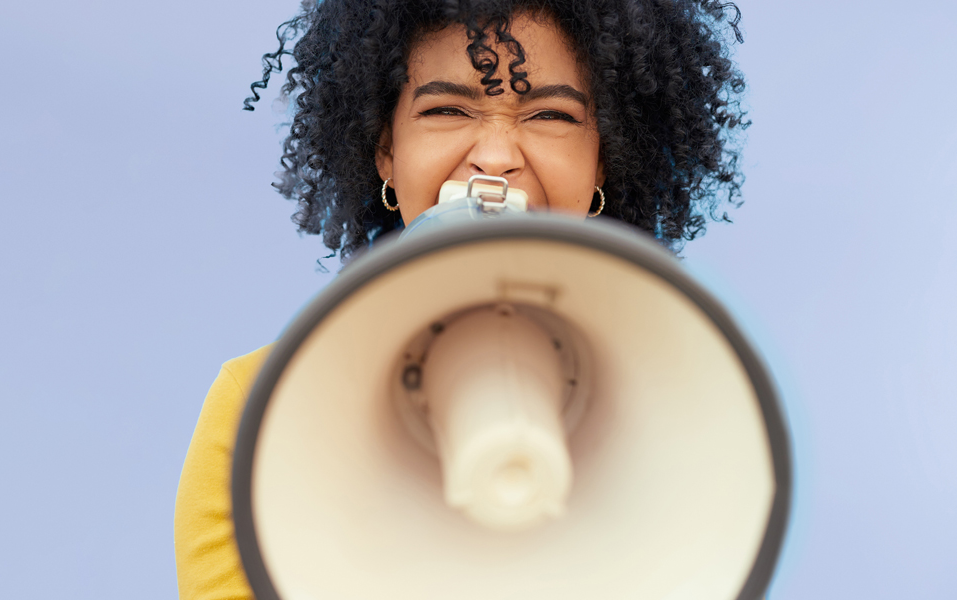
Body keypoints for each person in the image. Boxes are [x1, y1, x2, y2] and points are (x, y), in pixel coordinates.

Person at [170, 2, 748, 598]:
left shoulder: (689, 417)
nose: (495, 158)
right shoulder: (259, 411)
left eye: (551, 114)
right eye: (446, 109)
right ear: (385, 151)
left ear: (604, 160)